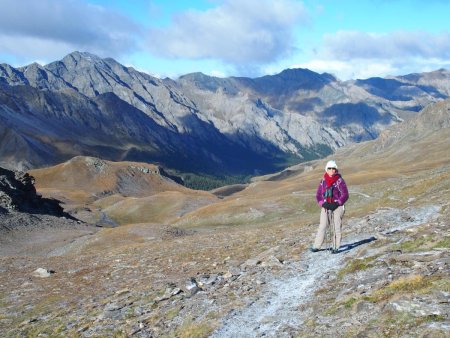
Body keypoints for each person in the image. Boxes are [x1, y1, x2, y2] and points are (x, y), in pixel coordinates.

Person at [311, 160, 349, 254]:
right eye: (329, 168)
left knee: (336, 226)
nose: (332, 170)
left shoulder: (340, 181)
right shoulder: (323, 181)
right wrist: (322, 204)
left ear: (336, 169)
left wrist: (337, 203)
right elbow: (318, 195)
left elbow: (345, 194)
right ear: (326, 169)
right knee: (323, 225)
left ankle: (335, 247)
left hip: (338, 206)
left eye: (333, 168)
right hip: (326, 206)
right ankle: (316, 246)